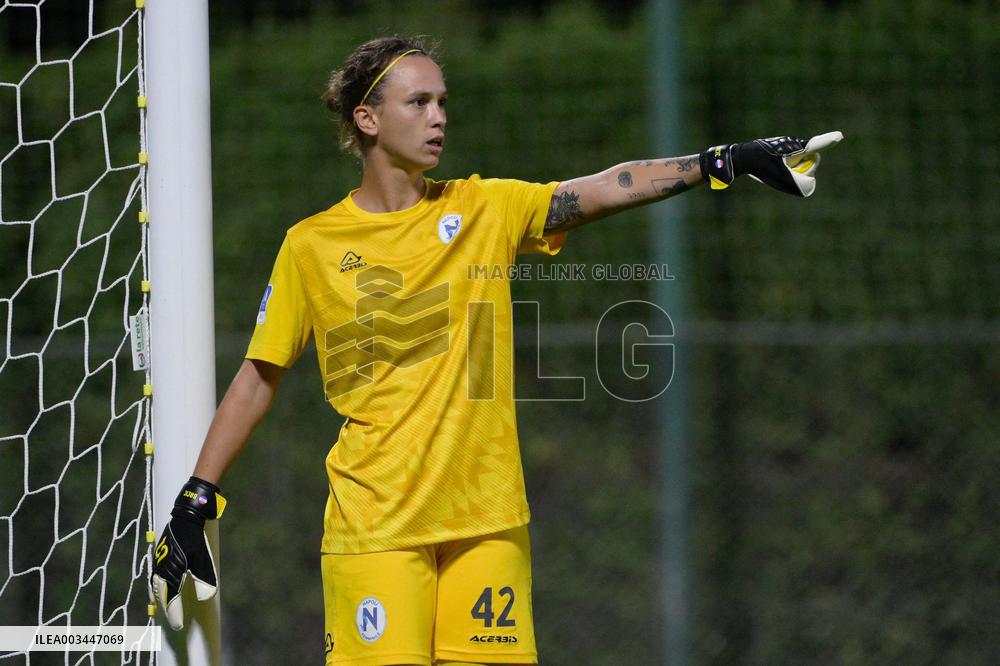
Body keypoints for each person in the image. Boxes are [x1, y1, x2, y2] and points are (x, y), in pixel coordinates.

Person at [150, 35, 841, 666]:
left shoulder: (485, 208)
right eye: (418, 101)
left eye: (443, 102)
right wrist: (197, 494)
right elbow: (258, 375)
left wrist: (722, 162)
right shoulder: (312, 245)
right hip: (377, 526)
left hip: (488, 524)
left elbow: (603, 187)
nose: (438, 117)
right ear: (367, 119)